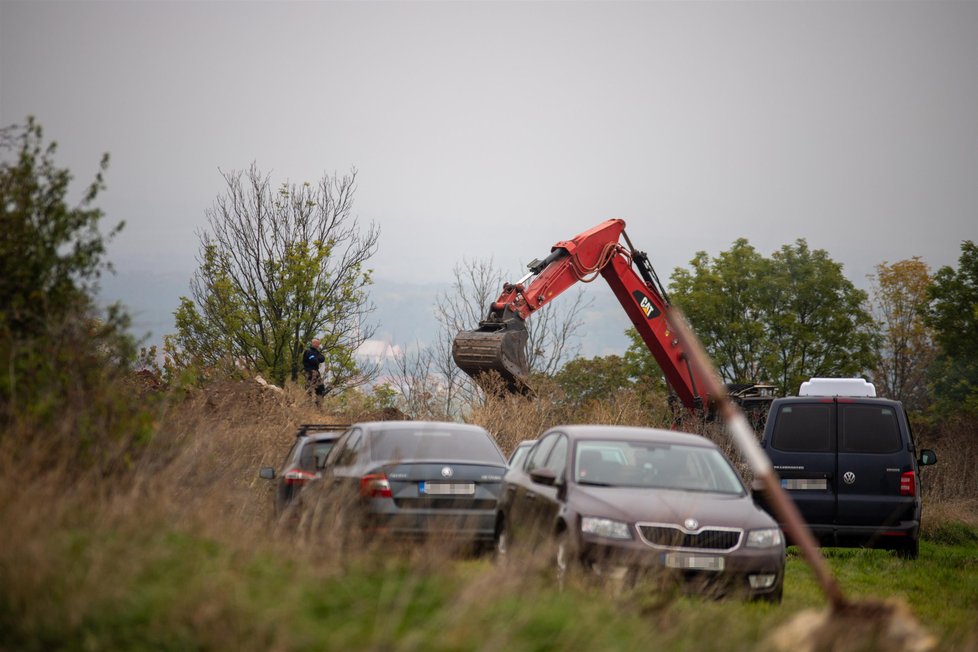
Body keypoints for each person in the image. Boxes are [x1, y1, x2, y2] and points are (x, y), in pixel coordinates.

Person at [303, 338, 326, 403]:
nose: (318, 345)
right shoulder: (308, 351)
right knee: (309, 389)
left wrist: (317, 358)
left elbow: (323, 358)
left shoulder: (317, 352)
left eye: (319, 344)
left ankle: (318, 406)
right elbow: (314, 361)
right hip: (309, 372)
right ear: (313, 343)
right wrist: (317, 358)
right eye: (317, 344)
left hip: (316, 372)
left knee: (321, 388)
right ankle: (307, 406)